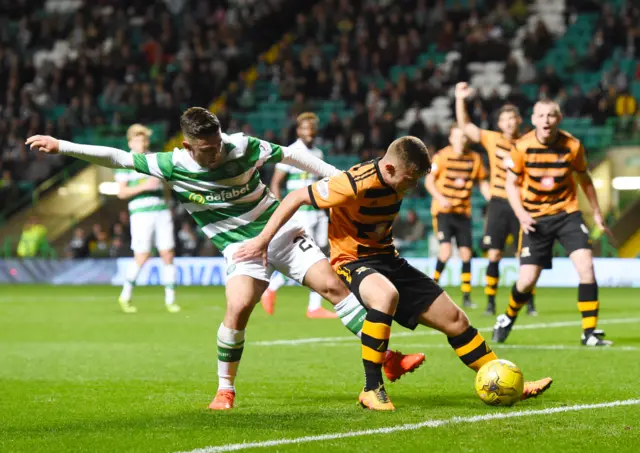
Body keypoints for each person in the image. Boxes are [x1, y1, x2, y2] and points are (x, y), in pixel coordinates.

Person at [26, 107, 423, 411]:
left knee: (335, 287)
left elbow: (292, 158)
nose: (215, 152)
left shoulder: (242, 146)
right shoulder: (171, 165)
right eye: (206, 149)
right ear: (186, 146)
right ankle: (225, 388)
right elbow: (116, 158)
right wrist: (61, 146)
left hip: (278, 229)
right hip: (238, 245)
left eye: (217, 143)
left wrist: (339, 178)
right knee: (238, 307)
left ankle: (386, 360)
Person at [234, 136, 552, 411]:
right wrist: (263, 242)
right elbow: (295, 197)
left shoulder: (392, 178)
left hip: (387, 258)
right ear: (389, 169)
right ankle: (371, 388)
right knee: (385, 296)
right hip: (351, 260)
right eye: (410, 179)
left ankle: (507, 381)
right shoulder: (353, 183)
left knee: (456, 320)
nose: (412, 187)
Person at [493, 100, 613, 347]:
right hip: (534, 218)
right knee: (526, 281)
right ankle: (508, 317)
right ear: (534, 119)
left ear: (559, 119)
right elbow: (511, 184)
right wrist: (521, 214)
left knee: (586, 267)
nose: (546, 120)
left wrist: (597, 213)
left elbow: (585, 179)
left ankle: (589, 332)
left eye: (551, 115)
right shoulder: (522, 147)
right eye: (541, 115)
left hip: (567, 214)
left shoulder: (572, 146)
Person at [454, 82, 537, 316]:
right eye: (505, 119)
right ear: (499, 124)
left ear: (519, 120)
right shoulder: (492, 138)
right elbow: (466, 126)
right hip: (499, 202)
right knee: (494, 254)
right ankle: (490, 301)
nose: (510, 122)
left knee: (526, 256)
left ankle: (528, 302)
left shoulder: (528, 142)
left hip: (522, 204)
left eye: (513, 118)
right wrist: (460, 99)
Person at [261, 112, 336, 318]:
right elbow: (276, 182)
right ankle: (274, 288)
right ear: (298, 131)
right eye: (304, 129)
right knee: (307, 257)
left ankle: (313, 306)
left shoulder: (318, 154)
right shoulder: (291, 152)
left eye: (311, 130)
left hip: (317, 210)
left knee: (322, 255)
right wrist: (281, 210)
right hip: (300, 212)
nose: (309, 133)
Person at [114, 124, 179, 314]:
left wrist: (167, 202)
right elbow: (122, 192)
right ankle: (125, 295)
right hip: (141, 214)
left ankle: (170, 300)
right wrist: (144, 186)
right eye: (138, 139)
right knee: (142, 255)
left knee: (168, 253)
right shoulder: (124, 162)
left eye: (144, 139)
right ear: (130, 142)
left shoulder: (154, 159)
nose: (142, 143)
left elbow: (165, 186)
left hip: (161, 211)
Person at [424, 126, 490, 309]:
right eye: (458, 137)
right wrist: (440, 198)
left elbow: (482, 181)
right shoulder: (441, 157)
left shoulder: (474, 158)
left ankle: (467, 296)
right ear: (451, 138)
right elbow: (429, 181)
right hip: (443, 211)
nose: (461, 140)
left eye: (464, 137)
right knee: (445, 251)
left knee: (466, 254)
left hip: (463, 212)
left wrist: (491, 197)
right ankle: (430, 290)